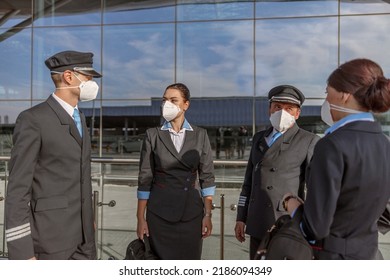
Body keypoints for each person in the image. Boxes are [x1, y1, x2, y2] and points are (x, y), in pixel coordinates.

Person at [283, 58, 390, 260]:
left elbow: (314, 230)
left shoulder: (331, 145)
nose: (326, 100)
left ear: (344, 94)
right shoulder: (384, 143)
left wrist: (292, 204)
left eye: (327, 92)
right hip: (369, 254)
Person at [5, 50, 102, 260]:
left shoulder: (80, 119)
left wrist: (88, 220)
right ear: (69, 76)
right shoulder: (33, 119)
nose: (92, 82)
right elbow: (18, 189)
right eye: (88, 77)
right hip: (50, 241)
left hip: (85, 240)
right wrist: (22, 253)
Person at [234, 85, 320, 259]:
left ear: (297, 114)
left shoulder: (309, 141)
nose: (282, 113)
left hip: (286, 222)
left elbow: (315, 189)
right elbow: (248, 182)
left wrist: (310, 225)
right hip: (257, 220)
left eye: (289, 109)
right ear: (270, 110)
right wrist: (241, 217)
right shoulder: (259, 138)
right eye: (278, 107)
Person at [136, 83, 216, 260]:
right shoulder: (152, 135)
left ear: (186, 105)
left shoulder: (200, 135)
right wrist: (140, 218)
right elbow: (145, 179)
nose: (167, 104)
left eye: (173, 100)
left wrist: (208, 215)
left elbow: (207, 178)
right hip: (159, 214)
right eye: (165, 100)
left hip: (192, 214)